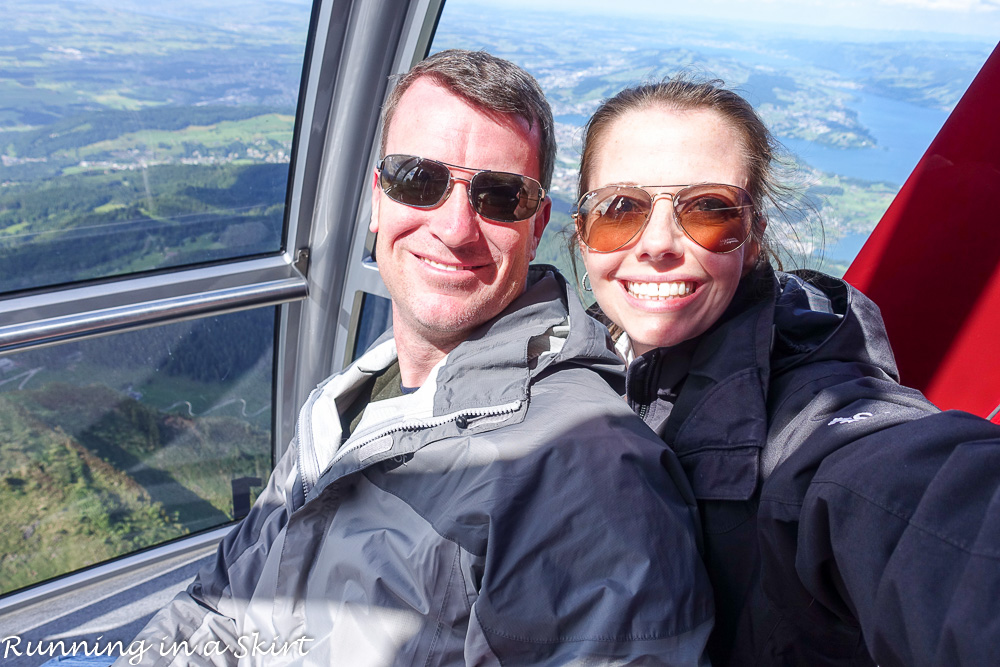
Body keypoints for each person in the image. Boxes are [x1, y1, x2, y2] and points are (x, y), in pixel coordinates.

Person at [116, 51, 714, 666]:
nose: (456, 228)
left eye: (500, 196)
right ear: (379, 200)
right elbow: (219, 607)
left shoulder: (582, 468)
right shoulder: (350, 399)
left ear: (537, 227)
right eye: (417, 180)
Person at [573, 77, 1000, 667]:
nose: (658, 243)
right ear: (581, 232)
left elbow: (921, 502)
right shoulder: (582, 363)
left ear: (751, 242)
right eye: (620, 209)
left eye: (708, 209)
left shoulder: (815, 421)